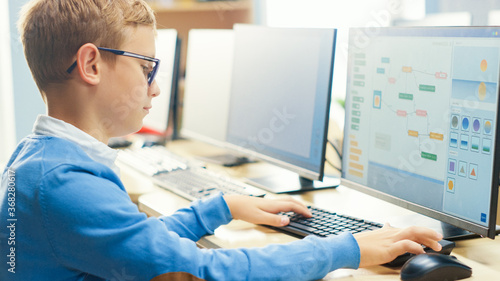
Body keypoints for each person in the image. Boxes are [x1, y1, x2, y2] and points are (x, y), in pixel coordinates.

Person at [0, 0, 443, 280]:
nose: (156, 88)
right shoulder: (65, 184)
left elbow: (136, 245)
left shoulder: (41, 161)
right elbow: (203, 270)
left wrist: (223, 207)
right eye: (147, 68)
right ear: (91, 65)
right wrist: (348, 248)